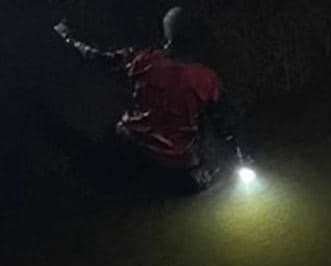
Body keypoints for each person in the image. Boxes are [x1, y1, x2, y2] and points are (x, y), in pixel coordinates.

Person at [54, 7, 243, 193]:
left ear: (167, 37)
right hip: (176, 166)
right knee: (205, 178)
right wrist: (241, 160)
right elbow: (225, 127)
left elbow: (98, 58)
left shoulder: (142, 61)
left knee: (101, 150)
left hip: (131, 149)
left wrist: (69, 38)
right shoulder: (206, 80)